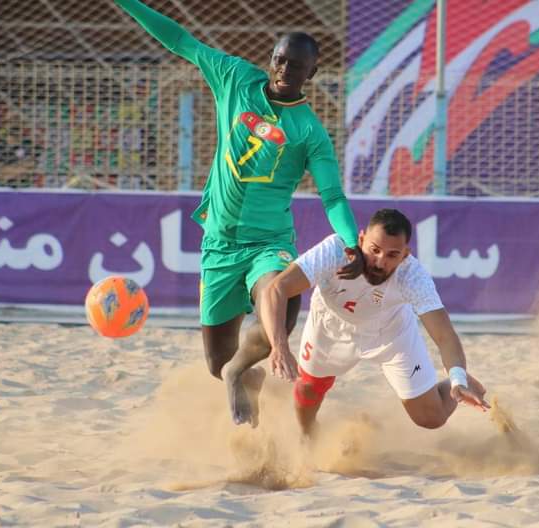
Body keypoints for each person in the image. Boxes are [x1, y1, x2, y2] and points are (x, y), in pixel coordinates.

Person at [115, 0, 364, 426]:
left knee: (278, 309)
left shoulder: (309, 132)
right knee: (217, 361)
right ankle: (239, 376)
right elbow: (180, 40)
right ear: (270, 61)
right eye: (280, 60)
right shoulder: (234, 78)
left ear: (312, 73)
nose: (285, 69)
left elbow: (333, 197)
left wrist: (352, 242)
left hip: (268, 243)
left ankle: (241, 373)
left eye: (296, 65)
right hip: (218, 244)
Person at [260, 208, 489, 437]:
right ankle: (308, 434)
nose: (380, 262)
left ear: (405, 255)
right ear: (361, 240)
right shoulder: (335, 251)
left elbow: (444, 335)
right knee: (309, 390)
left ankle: (460, 382)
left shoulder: (413, 276)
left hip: (390, 334)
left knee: (431, 418)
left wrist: (457, 377)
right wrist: (279, 346)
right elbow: (277, 288)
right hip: (330, 325)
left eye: (392, 255)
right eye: (374, 250)